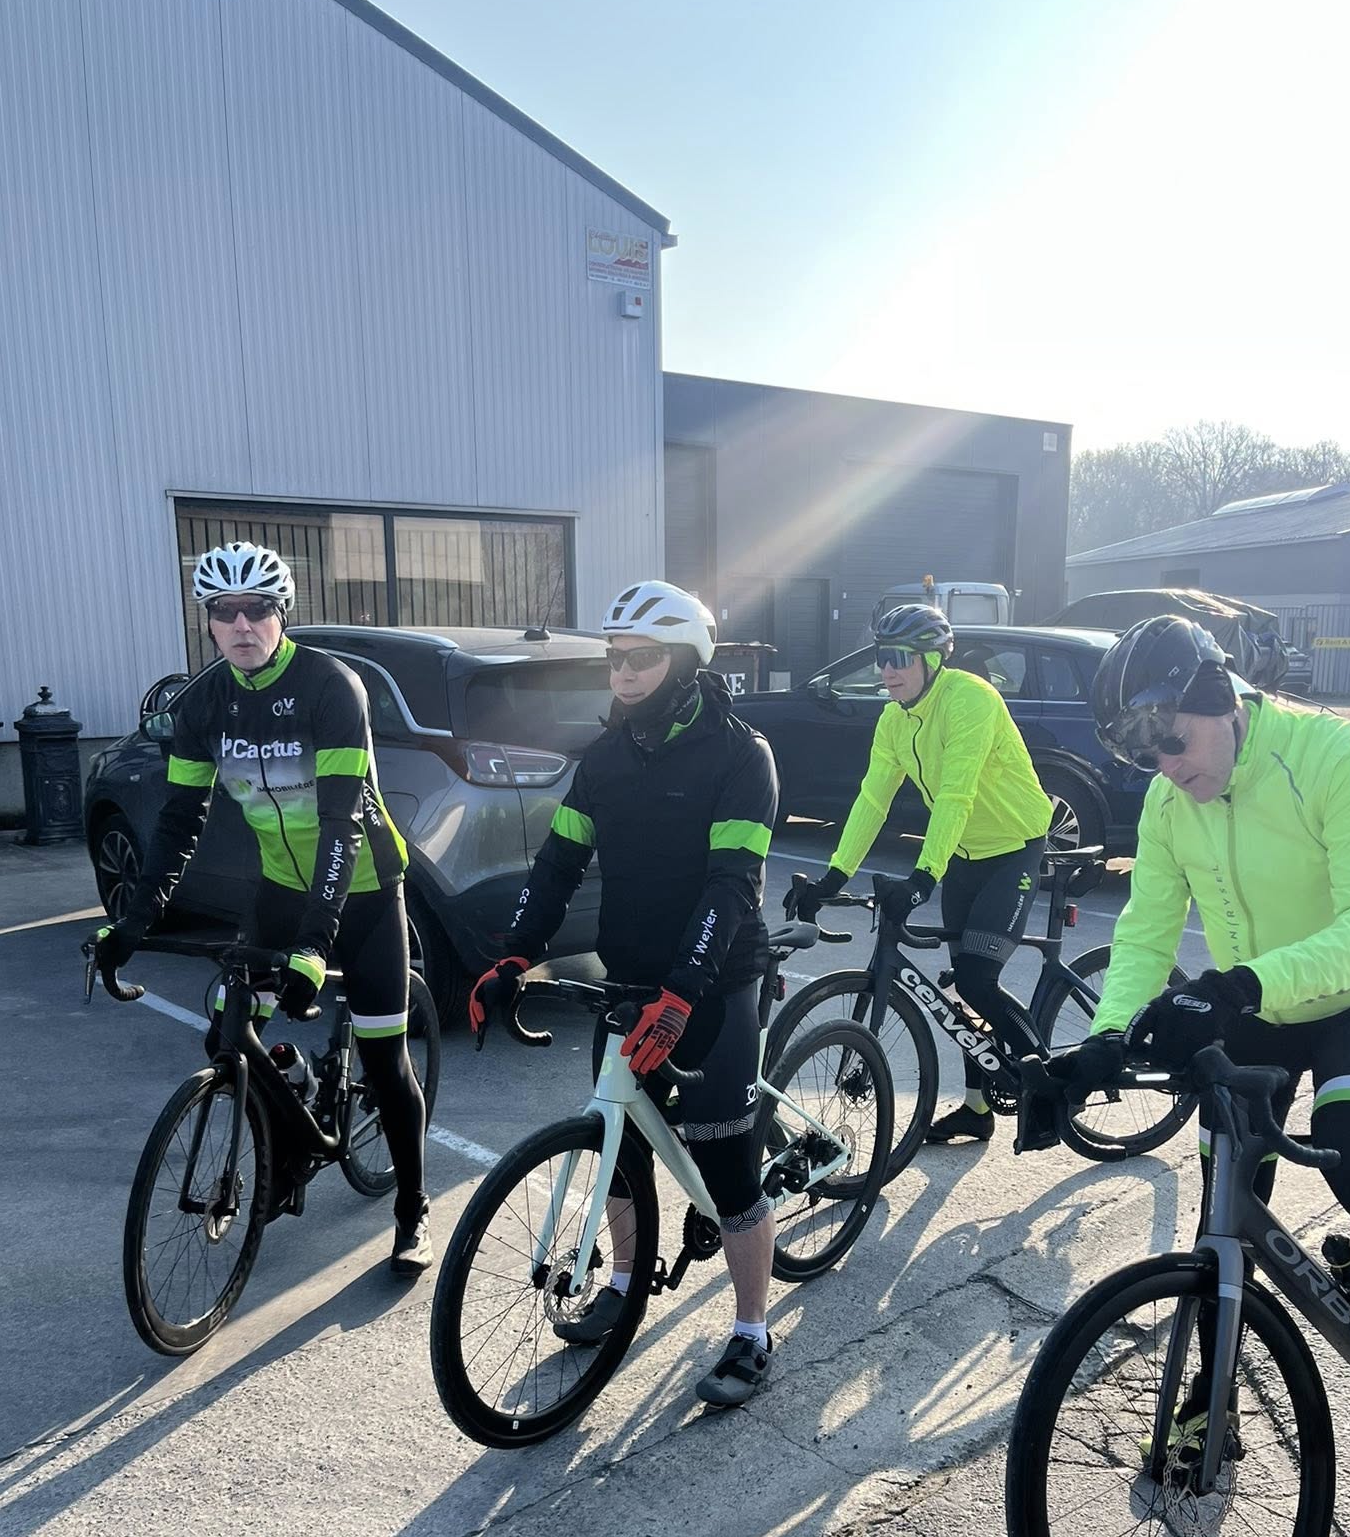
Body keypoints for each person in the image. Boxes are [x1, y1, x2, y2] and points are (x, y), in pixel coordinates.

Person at [1054, 612, 1350, 1470]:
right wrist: (1105, 1039)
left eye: (1171, 739)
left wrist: (1242, 986)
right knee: (1227, 1190)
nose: (1165, 765)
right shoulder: (1170, 802)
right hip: (1261, 995)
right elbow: (1146, 930)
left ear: (1220, 697)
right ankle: (1211, 1396)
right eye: (1143, 754)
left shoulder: (1335, 757)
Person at [468, 580, 780, 1407]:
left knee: (729, 1172)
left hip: (712, 983)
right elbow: (556, 866)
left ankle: (753, 1331)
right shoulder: (604, 760)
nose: (624, 672)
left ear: (685, 661)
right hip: (632, 979)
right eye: (614, 658)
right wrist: (514, 956)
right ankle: (624, 1284)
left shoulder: (740, 754)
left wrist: (683, 992)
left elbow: (731, 885)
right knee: (617, 1145)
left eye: (642, 658)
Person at [93, 542, 432, 1274]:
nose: (242, 625)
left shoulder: (329, 686)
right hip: (280, 884)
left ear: (283, 613)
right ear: (209, 621)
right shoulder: (203, 703)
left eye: (257, 609)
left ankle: (412, 1210)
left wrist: (315, 944)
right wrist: (136, 920)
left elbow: (341, 821)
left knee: (385, 1058)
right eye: (225, 611)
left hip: (363, 888)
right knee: (227, 1029)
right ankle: (290, 1119)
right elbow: (178, 821)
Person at [790, 603, 1052, 1142]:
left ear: (933, 660)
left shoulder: (971, 699)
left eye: (900, 658)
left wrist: (923, 878)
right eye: (881, 656)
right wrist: (833, 878)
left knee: (977, 979)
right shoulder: (894, 719)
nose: (887, 669)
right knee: (965, 989)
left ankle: (1050, 1089)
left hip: (1014, 848)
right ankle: (977, 1109)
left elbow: (957, 793)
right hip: (964, 855)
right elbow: (872, 800)